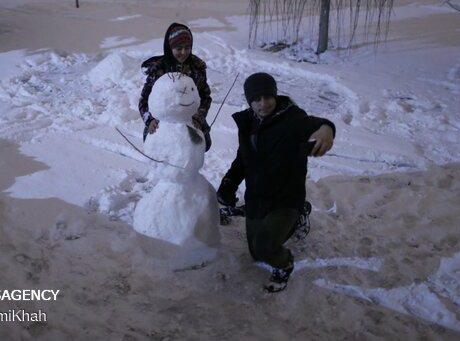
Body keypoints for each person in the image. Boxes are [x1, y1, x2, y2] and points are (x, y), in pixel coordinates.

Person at [217, 72, 335, 292]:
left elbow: (313, 125)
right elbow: (243, 158)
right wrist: (229, 183)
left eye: (268, 97)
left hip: (285, 197)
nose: (263, 103)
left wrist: (326, 129)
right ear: (249, 101)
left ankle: (285, 264)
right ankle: (292, 220)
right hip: (257, 196)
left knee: (265, 247)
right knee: (255, 251)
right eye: (257, 99)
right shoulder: (248, 123)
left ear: (275, 95)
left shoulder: (291, 119)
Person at [138, 23, 212, 151]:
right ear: (170, 48)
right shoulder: (159, 70)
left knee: (191, 155)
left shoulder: (197, 68)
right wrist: (149, 120)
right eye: (179, 48)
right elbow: (144, 100)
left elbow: (205, 96)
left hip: (191, 125)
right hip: (163, 128)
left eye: (187, 47)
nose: (184, 52)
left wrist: (199, 118)